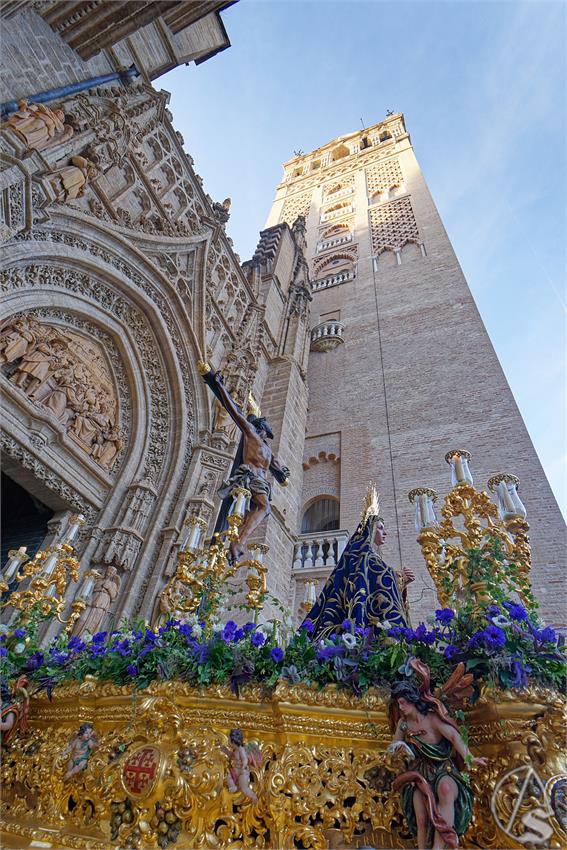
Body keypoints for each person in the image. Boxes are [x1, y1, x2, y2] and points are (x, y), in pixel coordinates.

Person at [389, 660, 487, 850]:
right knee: (421, 814)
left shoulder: (432, 718)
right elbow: (394, 745)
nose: (400, 707)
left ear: (412, 700)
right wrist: (399, 750)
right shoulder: (403, 723)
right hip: (419, 774)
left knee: (446, 791)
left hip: (443, 769)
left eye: (403, 703)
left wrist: (470, 758)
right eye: (398, 704)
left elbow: (454, 737)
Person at [200, 365, 289, 563]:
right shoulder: (250, 434)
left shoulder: (268, 450)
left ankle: (236, 541)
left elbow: (281, 475)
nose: (266, 434)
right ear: (261, 428)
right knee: (264, 508)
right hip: (251, 479)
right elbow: (234, 411)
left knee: (256, 512)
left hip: (262, 484)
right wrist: (218, 385)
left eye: (267, 433)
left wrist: (284, 474)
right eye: (265, 431)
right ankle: (238, 542)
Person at [302, 487, 414, 638]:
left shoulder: (372, 557)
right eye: (380, 528)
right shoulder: (364, 555)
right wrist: (399, 578)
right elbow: (380, 579)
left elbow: (377, 586)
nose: (385, 533)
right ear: (371, 530)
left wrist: (400, 582)